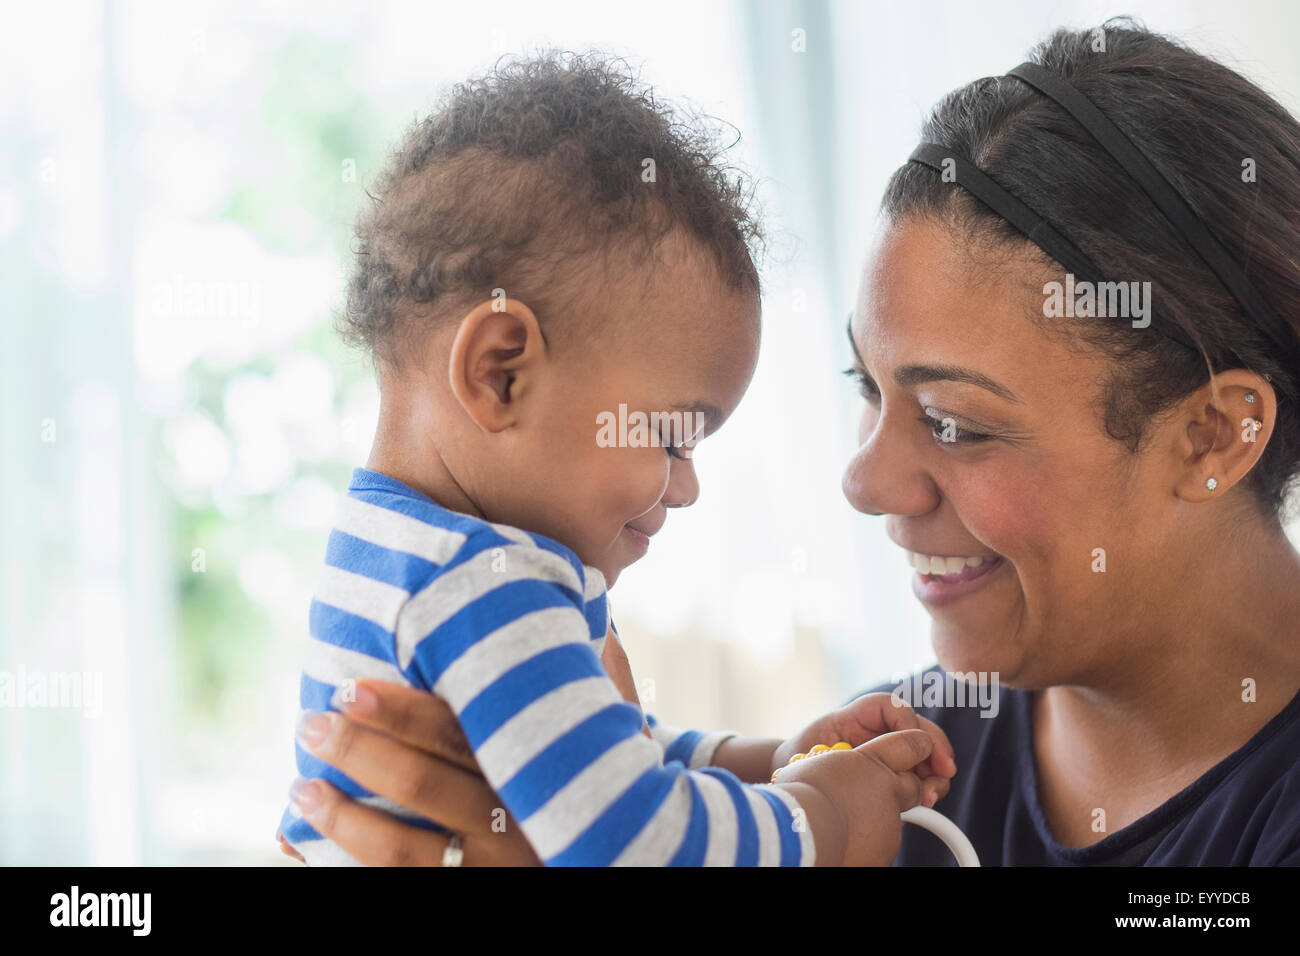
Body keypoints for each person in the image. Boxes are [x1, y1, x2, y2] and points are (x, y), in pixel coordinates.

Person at [282, 20, 1300, 866]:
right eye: (867, 387)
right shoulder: (898, 758)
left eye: (953, 419)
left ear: (1212, 433)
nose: (863, 480)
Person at [278, 52, 955, 867]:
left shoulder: (400, 554)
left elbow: (601, 759)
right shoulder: (486, 587)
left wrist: (772, 762)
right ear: (501, 373)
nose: (689, 486)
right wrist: (822, 818)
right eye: (670, 436)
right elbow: (636, 839)